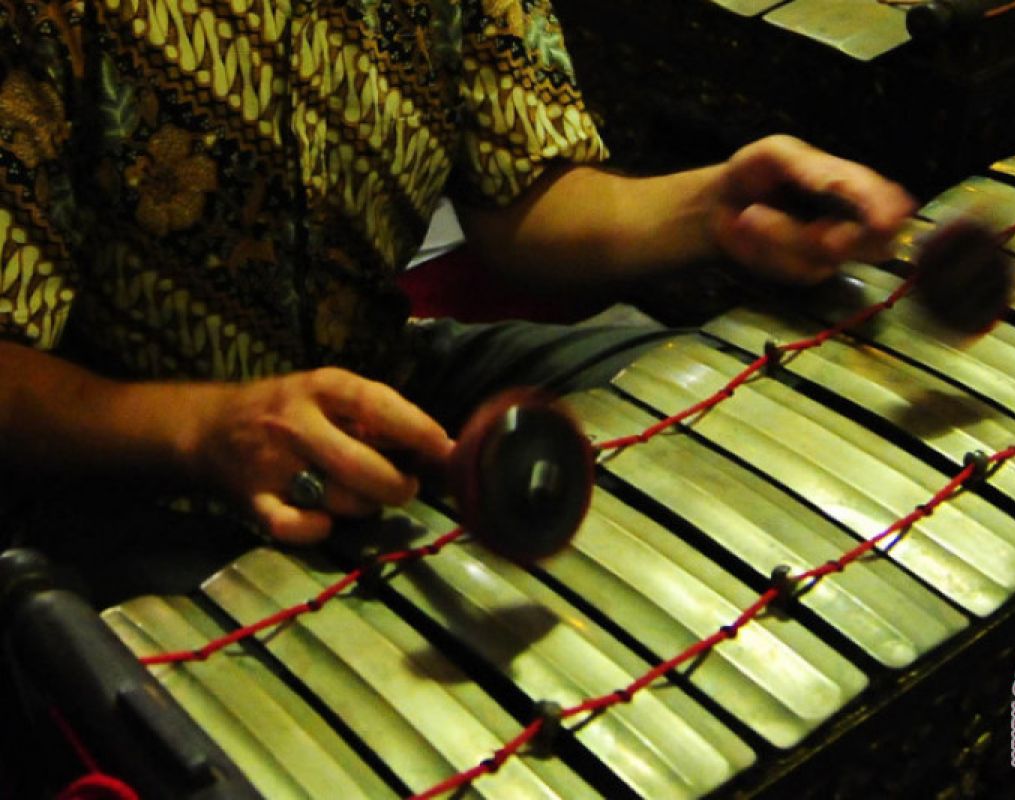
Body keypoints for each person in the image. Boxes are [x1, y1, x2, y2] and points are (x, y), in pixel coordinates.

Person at [0, 0, 913, 603]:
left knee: (701, 405)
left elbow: (523, 201)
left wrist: (715, 207)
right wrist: (203, 428)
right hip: (129, 466)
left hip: (386, 383)